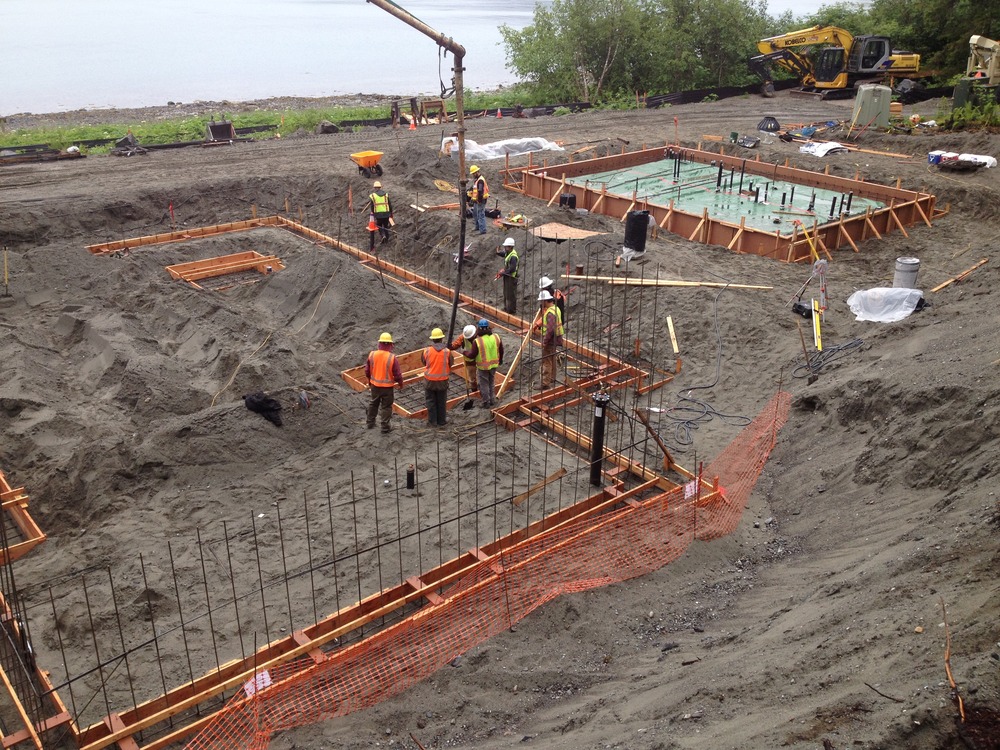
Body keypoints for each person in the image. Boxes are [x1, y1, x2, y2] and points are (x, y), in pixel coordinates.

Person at [365, 331, 404, 433]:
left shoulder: (372, 354)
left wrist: (369, 380)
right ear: (390, 344)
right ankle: (385, 427)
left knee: (373, 403)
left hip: (375, 385)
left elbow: (367, 371)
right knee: (386, 407)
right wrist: (400, 383)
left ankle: (370, 422)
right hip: (387, 387)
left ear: (380, 343)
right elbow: (397, 374)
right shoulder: (392, 357)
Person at [469, 318, 503, 408]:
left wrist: (464, 353)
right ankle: (492, 400)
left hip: (483, 367)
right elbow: (501, 349)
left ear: (479, 329)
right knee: (491, 382)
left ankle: (485, 403)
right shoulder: (496, 337)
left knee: (484, 384)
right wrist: (501, 360)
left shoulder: (477, 341)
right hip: (494, 365)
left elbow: (472, 355)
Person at [422, 327, 451, 427]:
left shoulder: (427, 351)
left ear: (433, 339)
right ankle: (442, 421)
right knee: (441, 401)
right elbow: (451, 363)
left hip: (429, 381)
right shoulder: (447, 351)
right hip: (442, 382)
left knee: (430, 401)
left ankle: (432, 422)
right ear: (442, 339)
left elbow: (423, 362)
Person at [537, 290, 564, 389]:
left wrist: (545, 341)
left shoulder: (550, 313)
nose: (541, 303)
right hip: (555, 339)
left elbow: (550, 330)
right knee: (552, 358)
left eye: (542, 301)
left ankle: (545, 383)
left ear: (545, 300)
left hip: (550, 340)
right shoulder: (555, 308)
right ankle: (552, 378)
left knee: (546, 361)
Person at [450, 324, 479, 394]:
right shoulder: (463, 337)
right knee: (472, 379)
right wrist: (449, 346)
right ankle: (474, 392)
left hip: (480, 359)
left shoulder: (479, 336)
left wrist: (465, 352)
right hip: (470, 361)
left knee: (482, 377)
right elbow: (455, 344)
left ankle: (482, 390)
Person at [365, 180, 393, 250]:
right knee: (386, 226)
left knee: (379, 226)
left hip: (378, 214)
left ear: (374, 188)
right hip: (386, 213)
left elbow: (372, 206)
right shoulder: (386, 194)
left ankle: (383, 235)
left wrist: (373, 214)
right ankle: (386, 239)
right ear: (380, 187)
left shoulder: (373, 196)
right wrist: (391, 213)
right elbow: (389, 204)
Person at [497, 237, 519, 314]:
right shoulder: (508, 252)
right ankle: (506, 308)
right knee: (506, 293)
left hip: (511, 277)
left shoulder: (513, 256)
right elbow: (504, 254)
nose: (504, 248)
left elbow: (512, 269)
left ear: (510, 247)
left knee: (510, 294)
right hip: (507, 276)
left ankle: (511, 311)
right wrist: (498, 252)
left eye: (506, 247)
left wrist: (503, 272)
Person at [467, 165, 489, 235]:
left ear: (477, 172)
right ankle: (477, 226)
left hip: (481, 200)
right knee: (475, 213)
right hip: (477, 200)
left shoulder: (480, 180)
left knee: (480, 214)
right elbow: (475, 189)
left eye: (473, 173)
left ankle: (482, 230)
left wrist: (478, 200)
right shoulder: (477, 180)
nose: (473, 175)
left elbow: (480, 191)